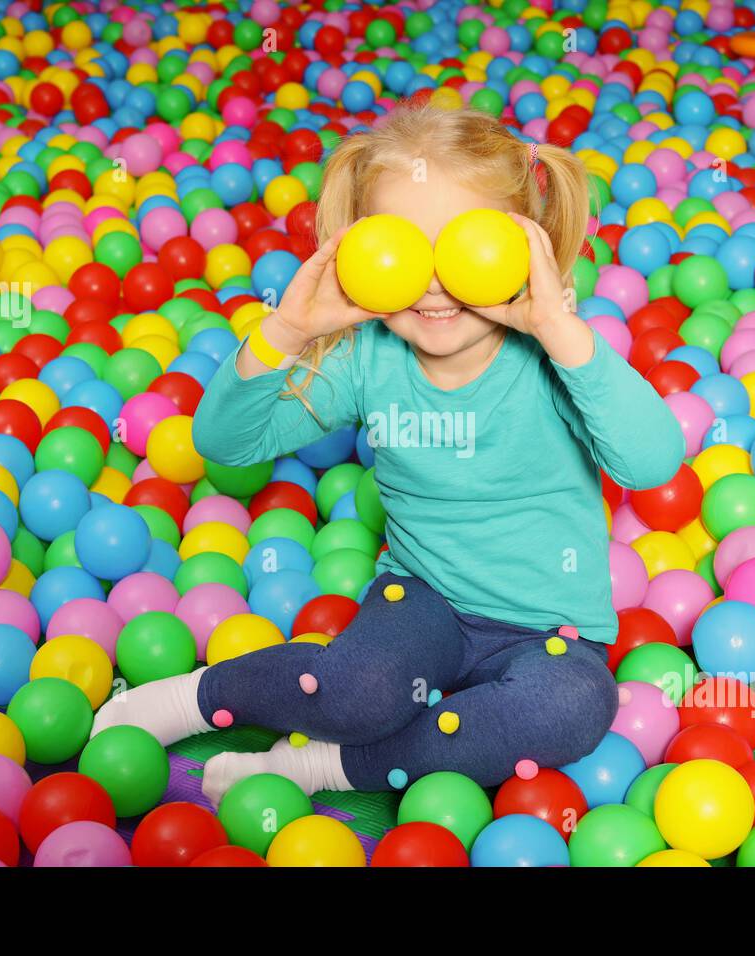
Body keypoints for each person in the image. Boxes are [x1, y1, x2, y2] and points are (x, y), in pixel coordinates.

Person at [92, 106, 685, 803]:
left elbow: (651, 463)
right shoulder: (370, 358)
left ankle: (325, 767)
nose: (434, 284)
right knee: (362, 691)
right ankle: (200, 697)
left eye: (464, 249)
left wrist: (561, 330)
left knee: (574, 708)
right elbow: (226, 443)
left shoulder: (555, 359)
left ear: (519, 248)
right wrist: (284, 328)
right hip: (423, 603)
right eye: (400, 251)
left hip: (550, 633)